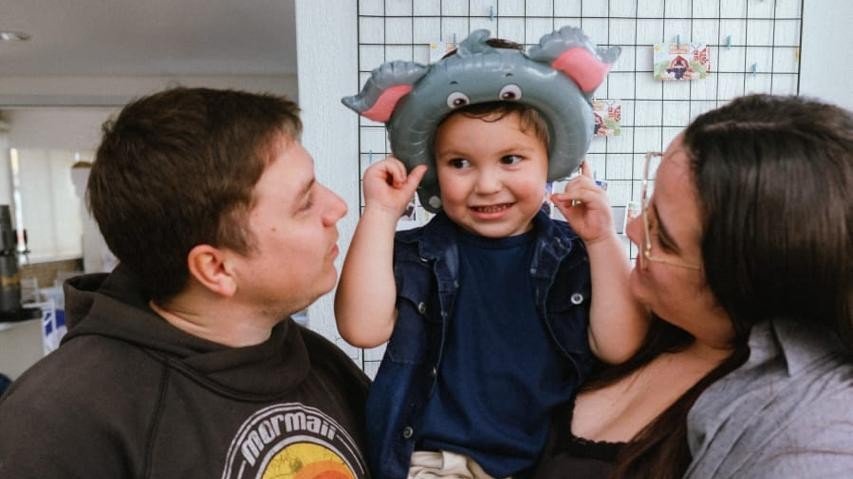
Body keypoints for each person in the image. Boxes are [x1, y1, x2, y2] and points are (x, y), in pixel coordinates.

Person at [0, 88, 371, 478]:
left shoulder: (323, 365)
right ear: (216, 269)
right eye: (305, 202)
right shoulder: (56, 424)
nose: (338, 207)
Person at [337, 28, 647, 478]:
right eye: (459, 163)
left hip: (551, 465)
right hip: (440, 464)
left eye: (510, 159)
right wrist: (382, 213)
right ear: (432, 169)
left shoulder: (575, 255)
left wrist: (601, 241)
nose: (486, 185)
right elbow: (360, 329)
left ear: (550, 161)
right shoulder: (417, 255)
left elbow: (620, 347)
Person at [536, 93, 853, 478]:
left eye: (663, 239)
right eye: (647, 206)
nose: (633, 230)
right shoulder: (644, 320)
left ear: (744, 284)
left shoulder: (786, 433)